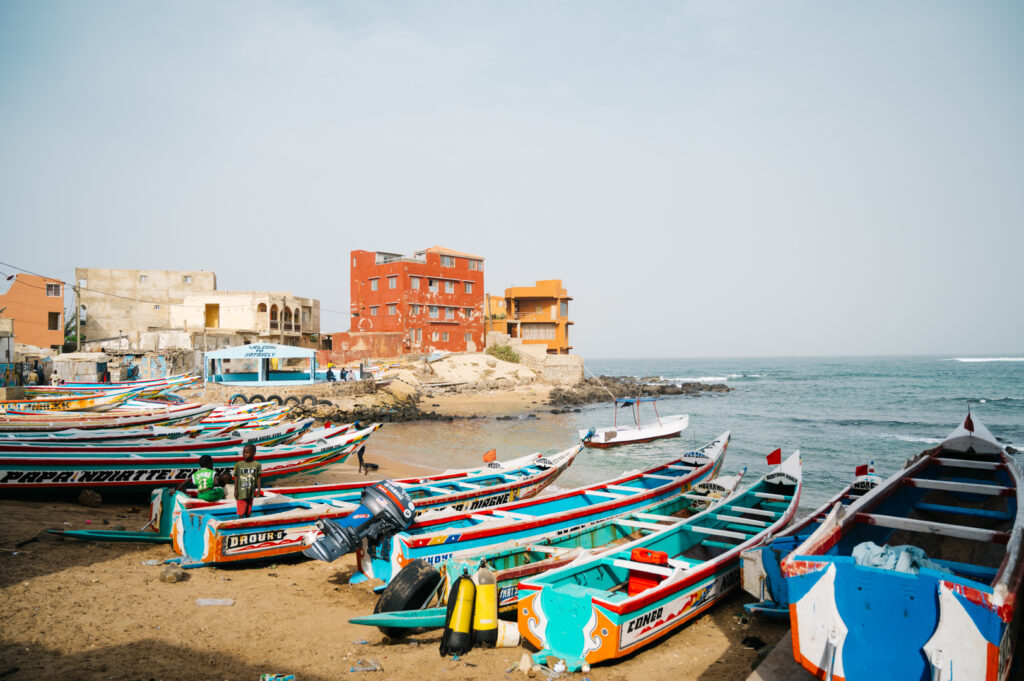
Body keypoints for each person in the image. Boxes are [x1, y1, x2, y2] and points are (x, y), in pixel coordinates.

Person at [231, 443, 262, 518]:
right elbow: (236, 477)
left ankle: (247, 523)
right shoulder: (239, 465)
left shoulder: (257, 465)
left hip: (250, 492)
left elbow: (258, 477)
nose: (244, 454)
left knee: (248, 511)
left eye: (247, 452)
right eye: (244, 452)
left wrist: (258, 490)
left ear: (253, 453)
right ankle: (240, 525)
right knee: (241, 511)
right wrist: (235, 490)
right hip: (241, 493)